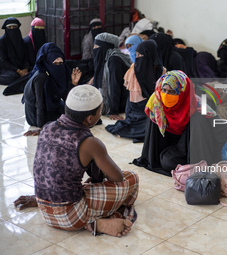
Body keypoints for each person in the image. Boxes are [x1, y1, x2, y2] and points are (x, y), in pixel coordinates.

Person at [14, 85, 139, 237]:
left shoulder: (47, 128)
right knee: (131, 178)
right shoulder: (90, 143)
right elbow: (117, 178)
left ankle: (91, 218)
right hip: (71, 217)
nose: (101, 113)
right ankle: (95, 223)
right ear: (90, 118)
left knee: (81, 185)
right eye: (100, 110)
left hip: (44, 211)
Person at [132, 70, 227, 176]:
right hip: (170, 147)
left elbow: (220, 126)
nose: (166, 95)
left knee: (197, 119)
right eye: (164, 90)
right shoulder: (157, 103)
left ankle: (197, 165)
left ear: (183, 92)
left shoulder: (196, 105)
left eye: (172, 92)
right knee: (166, 162)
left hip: (190, 148)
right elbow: (151, 137)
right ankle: (188, 166)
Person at [106, 40, 165, 142]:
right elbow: (131, 100)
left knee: (158, 128)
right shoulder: (133, 71)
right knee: (146, 129)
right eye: (136, 55)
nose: (137, 58)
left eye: (140, 55)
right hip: (137, 113)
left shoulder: (162, 71)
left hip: (154, 111)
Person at [22, 43, 82, 136]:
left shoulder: (64, 70)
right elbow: (39, 103)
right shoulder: (41, 76)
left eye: (60, 63)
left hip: (52, 105)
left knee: (79, 117)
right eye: (55, 63)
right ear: (47, 62)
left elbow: (67, 98)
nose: (58, 66)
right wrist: (40, 128)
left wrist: (73, 84)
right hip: (36, 113)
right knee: (65, 122)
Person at [93, 32, 132, 120]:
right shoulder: (108, 58)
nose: (94, 49)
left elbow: (115, 86)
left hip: (121, 105)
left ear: (105, 47)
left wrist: (113, 111)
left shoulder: (114, 60)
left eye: (96, 46)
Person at [0, 17, 30, 85]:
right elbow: (3, 61)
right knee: (13, 77)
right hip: (7, 68)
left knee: (33, 72)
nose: (12, 29)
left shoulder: (20, 40)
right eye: (9, 27)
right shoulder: (2, 41)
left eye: (14, 27)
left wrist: (26, 69)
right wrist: (19, 71)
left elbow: (25, 55)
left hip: (20, 66)